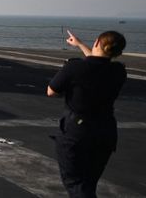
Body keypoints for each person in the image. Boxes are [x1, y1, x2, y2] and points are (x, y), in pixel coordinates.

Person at [47, 30, 127, 198]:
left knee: (76, 185)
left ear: (97, 42)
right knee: (88, 183)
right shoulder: (119, 71)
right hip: (105, 132)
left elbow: (51, 92)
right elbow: (97, 64)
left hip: (77, 133)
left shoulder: (74, 67)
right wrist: (80, 44)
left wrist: (68, 72)